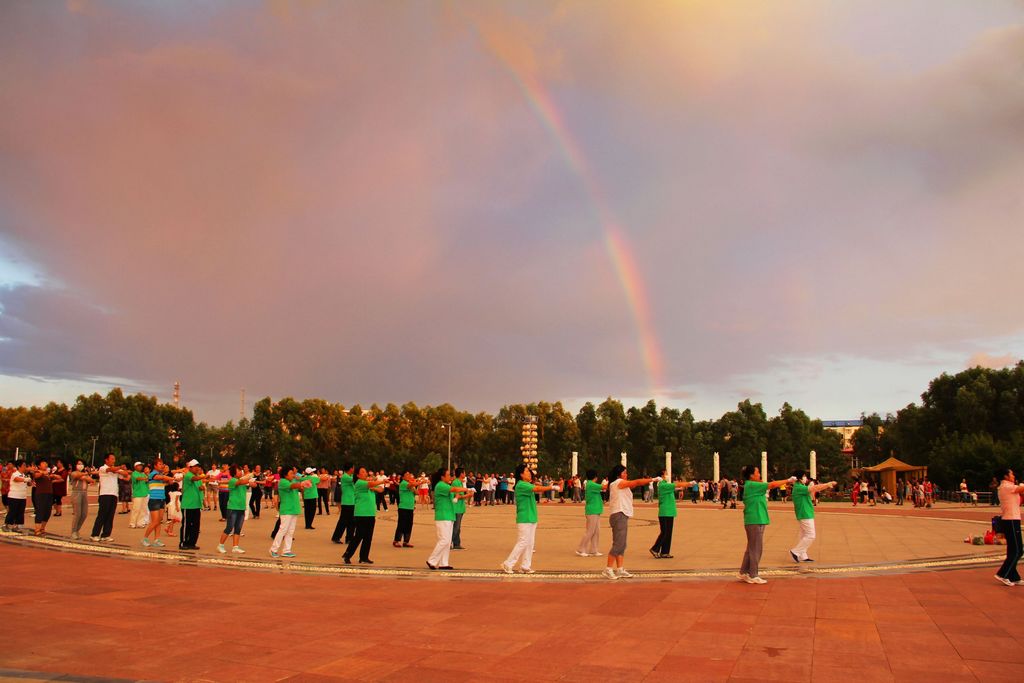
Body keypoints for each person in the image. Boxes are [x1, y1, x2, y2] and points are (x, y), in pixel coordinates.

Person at [739, 466, 795, 584]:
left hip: (755, 519)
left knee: (751, 548)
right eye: (757, 472)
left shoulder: (751, 485)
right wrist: (788, 480)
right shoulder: (752, 485)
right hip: (755, 519)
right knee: (756, 549)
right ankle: (753, 574)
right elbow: (772, 485)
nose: (759, 474)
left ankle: (744, 572)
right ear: (751, 475)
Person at [501, 465, 559, 574]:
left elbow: (536, 486)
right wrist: (551, 487)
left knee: (530, 543)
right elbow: (537, 489)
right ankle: (508, 563)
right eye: (527, 471)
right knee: (523, 541)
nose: (529, 473)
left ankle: (525, 566)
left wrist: (548, 485)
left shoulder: (526, 484)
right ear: (521, 474)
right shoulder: (521, 485)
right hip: (524, 517)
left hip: (531, 516)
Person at [601, 465, 656, 580]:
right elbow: (636, 482)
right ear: (619, 474)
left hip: (622, 515)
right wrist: (652, 479)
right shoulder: (618, 482)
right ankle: (608, 569)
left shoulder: (618, 484)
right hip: (619, 514)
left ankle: (620, 569)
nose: (626, 474)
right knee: (618, 544)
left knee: (622, 544)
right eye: (625, 472)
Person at [426, 468, 472, 570]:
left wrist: (462, 495)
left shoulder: (446, 486)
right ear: (442, 477)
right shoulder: (441, 485)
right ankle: (432, 560)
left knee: (447, 541)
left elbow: (454, 498)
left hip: (449, 515)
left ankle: (444, 563)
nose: (450, 477)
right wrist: (465, 489)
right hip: (443, 516)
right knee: (444, 540)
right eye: (448, 475)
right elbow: (454, 489)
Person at [787, 471, 837, 562]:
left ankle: (803, 556)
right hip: (805, 514)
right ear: (799, 478)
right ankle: (796, 551)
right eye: (804, 476)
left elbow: (813, 488)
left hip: (805, 513)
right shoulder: (799, 487)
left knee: (804, 535)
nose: (805, 478)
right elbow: (815, 488)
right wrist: (827, 484)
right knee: (811, 535)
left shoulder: (800, 487)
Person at [342, 468, 385, 564]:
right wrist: (381, 481)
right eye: (362, 472)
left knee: (368, 537)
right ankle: (347, 554)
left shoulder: (368, 485)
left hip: (370, 513)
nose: (365, 473)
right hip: (361, 513)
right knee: (358, 536)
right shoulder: (359, 483)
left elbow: (381, 489)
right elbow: (372, 484)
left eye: (365, 471)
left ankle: (364, 557)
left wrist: (374, 485)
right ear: (357, 475)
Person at [994, 467, 1024, 586]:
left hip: (1012, 519)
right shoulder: (1006, 486)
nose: (1013, 476)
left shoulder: (1008, 487)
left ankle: (1013, 576)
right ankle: (1003, 574)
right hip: (1011, 520)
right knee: (1018, 550)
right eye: (1011, 474)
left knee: (1013, 549)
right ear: (1006, 476)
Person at [218, 465, 257, 554]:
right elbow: (240, 482)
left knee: (238, 528)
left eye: (241, 470)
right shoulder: (233, 480)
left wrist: (252, 483)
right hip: (233, 507)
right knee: (229, 527)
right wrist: (250, 476)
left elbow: (253, 485)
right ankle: (220, 545)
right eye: (238, 470)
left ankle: (235, 547)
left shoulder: (242, 481)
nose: (240, 472)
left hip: (241, 507)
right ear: (234, 472)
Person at [650, 472, 689, 559]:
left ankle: (665, 552)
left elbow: (674, 487)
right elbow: (676, 485)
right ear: (661, 476)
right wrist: (689, 483)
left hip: (670, 512)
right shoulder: (662, 485)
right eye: (666, 474)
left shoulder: (666, 485)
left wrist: (680, 487)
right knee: (665, 532)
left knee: (668, 533)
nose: (667, 475)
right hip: (665, 512)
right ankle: (655, 549)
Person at [90, 454, 128, 542]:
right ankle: (94, 534)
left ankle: (106, 535)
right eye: (112, 459)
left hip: (114, 494)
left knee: (110, 515)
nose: (113, 460)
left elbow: (125, 474)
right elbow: (110, 469)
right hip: (105, 494)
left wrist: (119, 470)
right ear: (106, 460)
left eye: (114, 459)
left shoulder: (116, 470)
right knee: (102, 515)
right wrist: (118, 468)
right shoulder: (102, 468)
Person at [271, 465, 304, 558]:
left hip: (294, 509)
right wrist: (301, 483)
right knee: (283, 530)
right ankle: (273, 549)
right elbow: (294, 486)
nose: (293, 475)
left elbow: (298, 487)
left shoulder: (292, 480)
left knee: (290, 531)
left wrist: (302, 485)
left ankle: (286, 550)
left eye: (293, 473)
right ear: (285, 475)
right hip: (286, 510)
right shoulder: (283, 482)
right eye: (291, 473)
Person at [142, 462, 175, 547]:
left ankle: (156, 539)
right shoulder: (152, 474)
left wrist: (170, 481)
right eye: (160, 464)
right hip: (154, 499)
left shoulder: (160, 475)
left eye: (162, 464)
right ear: (155, 465)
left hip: (161, 499)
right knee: (155, 521)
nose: (162, 466)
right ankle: (145, 538)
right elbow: (162, 477)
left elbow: (163, 483)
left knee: (159, 521)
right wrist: (171, 478)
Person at [575, 470, 606, 557]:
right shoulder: (591, 484)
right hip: (592, 510)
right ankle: (581, 549)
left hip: (595, 510)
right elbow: (604, 487)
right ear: (595, 477)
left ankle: (594, 550)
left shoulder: (590, 484)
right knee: (590, 531)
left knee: (596, 531)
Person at [179, 459, 207, 550]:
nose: (197, 468)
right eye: (195, 467)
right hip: (188, 504)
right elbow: (194, 479)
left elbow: (199, 486)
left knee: (195, 526)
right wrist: (204, 476)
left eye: (198, 466)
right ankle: (183, 543)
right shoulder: (188, 475)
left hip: (196, 504)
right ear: (190, 468)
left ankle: (192, 543)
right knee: (186, 525)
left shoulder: (197, 476)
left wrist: (202, 488)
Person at [393, 471, 426, 548]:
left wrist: (417, 485)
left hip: (410, 507)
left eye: (409, 475)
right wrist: (420, 482)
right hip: (403, 507)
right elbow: (410, 485)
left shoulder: (411, 485)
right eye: (406, 475)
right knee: (401, 524)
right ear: (403, 477)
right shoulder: (403, 483)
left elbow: (417, 492)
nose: (408, 476)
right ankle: (396, 540)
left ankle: (406, 541)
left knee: (409, 524)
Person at [31, 458, 60, 536]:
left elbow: (60, 479)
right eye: (43, 463)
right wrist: (44, 472)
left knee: (47, 512)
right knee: (40, 511)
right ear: (39, 466)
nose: (45, 464)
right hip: (41, 494)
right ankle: (37, 530)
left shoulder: (48, 473)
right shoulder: (37, 472)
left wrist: (53, 476)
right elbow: (37, 476)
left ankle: (42, 528)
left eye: (46, 463)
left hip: (49, 494)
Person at [68, 460, 95, 540]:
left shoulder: (84, 474)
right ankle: (73, 531)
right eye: (78, 464)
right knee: (77, 514)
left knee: (84, 514)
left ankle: (77, 530)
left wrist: (85, 476)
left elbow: (91, 480)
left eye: (82, 464)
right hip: (77, 493)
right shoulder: (73, 473)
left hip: (84, 493)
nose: (80, 465)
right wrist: (86, 475)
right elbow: (76, 476)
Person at [330, 463, 355, 544]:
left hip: (352, 501)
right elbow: (356, 479)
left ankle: (349, 538)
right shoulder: (345, 477)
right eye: (353, 468)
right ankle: (336, 537)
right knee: (343, 521)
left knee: (352, 521)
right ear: (350, 468)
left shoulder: (350, 476)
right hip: (347, 502)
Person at [3, 460, 30, 532]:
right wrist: (26, 479)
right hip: (14, 496)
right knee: (12, 511)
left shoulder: (25, 475)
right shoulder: (15, 474)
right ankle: (7, 525)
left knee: (20, 512)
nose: (25, 467)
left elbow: (28, 483)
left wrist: (30, 481)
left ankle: (17, 526)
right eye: (24, 465)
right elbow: (17, 479)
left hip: (22, 496)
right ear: (19, 466)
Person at [451, 467, 470, 550]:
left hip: (460, 507)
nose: (465, 474)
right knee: (456, 527)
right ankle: (448, 543)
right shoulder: (456, 482)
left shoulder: (460, 482)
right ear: (461, 473)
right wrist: (468, 495)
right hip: (456, 508)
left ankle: (456, 544)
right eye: (464, 473)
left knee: (458, 528)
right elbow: (457, 496)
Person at [128, 461, 149, 529]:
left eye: (141, 465)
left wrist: (147, 478)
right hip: (138, 494)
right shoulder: (134, 473)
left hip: (144, 493)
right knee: (136, 509)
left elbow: (147, 481)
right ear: (135, 467)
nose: (141, 467)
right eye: (139, 465)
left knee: (143, 509)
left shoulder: (143, 474)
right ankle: (132, 523)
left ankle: (140, 523)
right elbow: (138, 478)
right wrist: (146, 478)